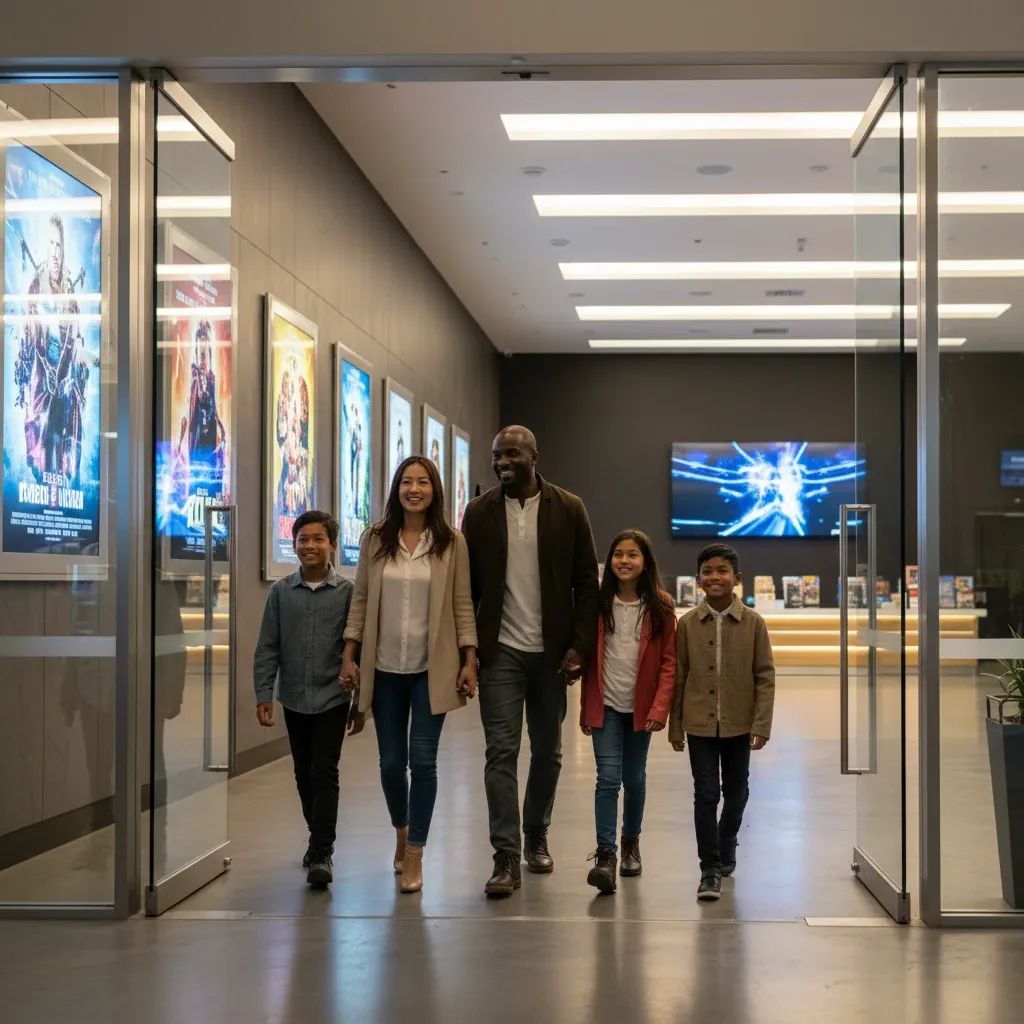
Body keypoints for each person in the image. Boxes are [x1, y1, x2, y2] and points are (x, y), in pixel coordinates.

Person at [461, 425, 599, 897]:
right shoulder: (478, 512)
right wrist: (468, 650)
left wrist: (580, 645)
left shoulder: (569, 508)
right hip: (499, 651)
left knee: (547, 752)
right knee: (500, 752)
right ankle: (505, 856)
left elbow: (587, 581)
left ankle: (536, 832)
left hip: (552, 654)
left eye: (512, 454)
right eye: (497, 455)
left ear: (535, 456)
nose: (502, 462)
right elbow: (468, 588)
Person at [341, 456, 478, 893]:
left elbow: (462, 604)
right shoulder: (375, 539)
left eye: (422, 482)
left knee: (423, 761)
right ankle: (401, 829)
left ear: (435, 490)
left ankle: (416, 851)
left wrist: (469, 658)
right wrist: (350, 653)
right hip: (384, 669)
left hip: (430, 669)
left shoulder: (451, 542)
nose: (414, 489)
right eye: (406, 481)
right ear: (396, 488)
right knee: (389, 764)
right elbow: (361, 600)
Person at [253, 511, 364, 889]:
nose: (310, 546)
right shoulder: (281, 592)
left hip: (334, 697)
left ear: (332, 545)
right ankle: (317, 836)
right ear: (294, 544)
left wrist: (361, 704)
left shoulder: (347, 593)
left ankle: (321, 852)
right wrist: (263, 693)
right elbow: (267, 647)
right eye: (303, 539)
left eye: (318, 539)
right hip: (295, 698)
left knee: (324, 771)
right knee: (303, 772)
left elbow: (359, 650)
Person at [669, 543, 775, 902]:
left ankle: (726, 838)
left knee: (737, 792)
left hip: (739, 724)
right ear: (698, 580)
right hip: (699, 724)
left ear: (737, 578)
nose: (715, 577)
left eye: (722, 571)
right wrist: (675, 726)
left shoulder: (754, 623)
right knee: (705, 794)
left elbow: (765, 676)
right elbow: (679, 677)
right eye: (708, 571)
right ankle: (709, 869)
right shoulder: (686, 625)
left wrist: (761, 724)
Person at [580, 530, 677, 894]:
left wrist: (660, 707)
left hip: (640, 710)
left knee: (634, 779)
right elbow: (587, 658)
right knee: (607, 778)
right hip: (605, 706)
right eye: (618, 554)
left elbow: (669, 663)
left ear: (646, 562)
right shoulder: (597, 603)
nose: (624, 560)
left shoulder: (661, 607)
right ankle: (606, 855)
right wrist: (585, 708)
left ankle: (631, 842)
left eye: (633, 554)